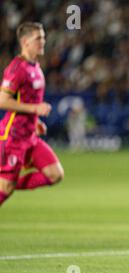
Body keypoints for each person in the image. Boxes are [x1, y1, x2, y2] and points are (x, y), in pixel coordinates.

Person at [0, 22, 64, 208]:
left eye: (43, 37)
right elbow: (3, 101)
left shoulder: (35, 67)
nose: (43, 41)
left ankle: (8, 183)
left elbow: (26, 101)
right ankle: (6, 184)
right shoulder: (16, 68)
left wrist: (34, 122)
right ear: (25, 42)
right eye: (39, 38)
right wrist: (35, 110)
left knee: (55, 174)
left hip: (30, 135)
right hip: (13, 137)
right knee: (5, 188)